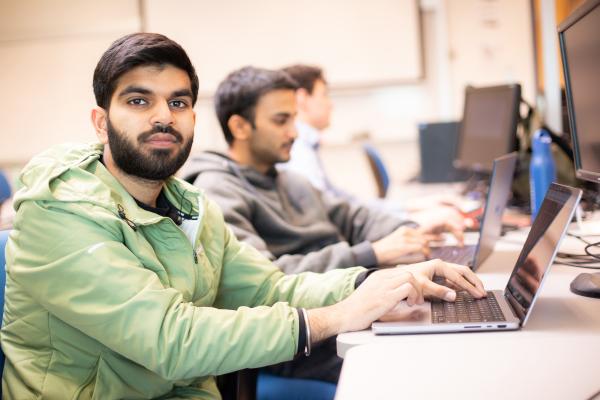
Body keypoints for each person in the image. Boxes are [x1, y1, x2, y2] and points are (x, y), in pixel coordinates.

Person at [1, 33, 486, 399]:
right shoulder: (60, 211)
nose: (163, 116)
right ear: (101, 122)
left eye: (179, 102)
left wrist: (380, 282)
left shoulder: (189, 207)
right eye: (138, 100)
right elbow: (172, 339)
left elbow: (271, 288)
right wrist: (338, 316)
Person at [188, 66, 477, 383]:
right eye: (281, 120)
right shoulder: (218, 190)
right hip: (303, 336)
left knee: (445, 328)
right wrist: (371, 255)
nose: (294, 133)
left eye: (294, 119)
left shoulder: (289, 179)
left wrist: (409, 231)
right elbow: (267, 281)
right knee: (422, 363)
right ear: (240, 126)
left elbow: (355, 216)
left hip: (345, 300)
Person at [279, 64, 471, 217]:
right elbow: (330, 215)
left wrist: (409, 207)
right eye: (324, 94)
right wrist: (410, 220)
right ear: (302, 98)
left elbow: (344, 202)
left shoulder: (307, 147)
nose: (331, 104)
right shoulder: (297, 152)